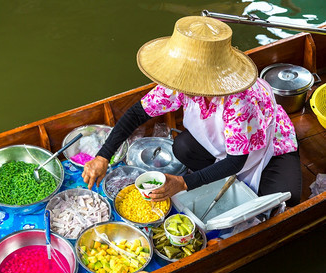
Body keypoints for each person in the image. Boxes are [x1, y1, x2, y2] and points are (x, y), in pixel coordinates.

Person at [82, 16, 301, 207]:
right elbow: (137, 114)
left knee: (284, 198)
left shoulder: (240, 101)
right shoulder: (182, 80)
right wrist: (103, 155)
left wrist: (184, 183)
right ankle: (216, 177)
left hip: (267, 147)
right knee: (183, 147)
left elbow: (236, 161)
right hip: (226, 146)